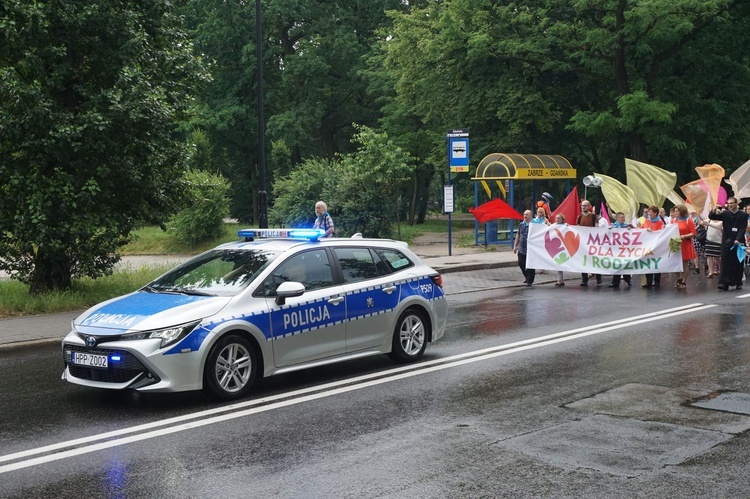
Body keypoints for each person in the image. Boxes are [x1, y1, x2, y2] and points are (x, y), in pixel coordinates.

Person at [708, 197, 749, 290]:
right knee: (725, 261)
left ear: (736, 204)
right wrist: (714, 209)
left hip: (739, 241)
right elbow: (712, 217)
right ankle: (724, 282)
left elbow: (743, 228)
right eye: (728, 203)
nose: (730, 205)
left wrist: (738, 239)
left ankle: (738, 282)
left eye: (732, 203)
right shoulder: (725, 214)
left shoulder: (743, 214)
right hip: (727, 240)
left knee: (738, 262)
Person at [576, 199, 601, 286]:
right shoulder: (579, 217)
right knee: (583, 261)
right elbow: (577, 228)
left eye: (585, 205)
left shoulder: (594, 216)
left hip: (592, 242)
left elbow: (597, 228)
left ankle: (598, 276)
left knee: (594, 260)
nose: (583, 207)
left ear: (589, 206)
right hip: (583, 243)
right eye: (582, 206)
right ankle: (584, 279)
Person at [672, 204, 696, 289]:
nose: (675, 213)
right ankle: (679, 277)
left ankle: (684, 281)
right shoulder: (673, 220)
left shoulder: (688, 220)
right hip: (675, 244)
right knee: (674, 263)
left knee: (685, 264)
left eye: (677, 211)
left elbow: (693, 233)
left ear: (682, 211)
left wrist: (684, 236)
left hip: (685, 244)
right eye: (674, 211)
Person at [641, 205, 664, 288]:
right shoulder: (647, 221)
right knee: (648, 263)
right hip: (647, 246)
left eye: (650, 212)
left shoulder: (660, 222)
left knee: (656, 262)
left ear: (655, 213)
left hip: (656, 245)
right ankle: (648, 282)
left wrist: (652, 231)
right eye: (648, 212)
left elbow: (661, 233)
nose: (649, 213)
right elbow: (641, 229)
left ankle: (657, 281)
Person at [608, 212, 632, 288]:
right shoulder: (613, 226)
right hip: (616, 250)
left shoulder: (626, 226)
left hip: (624, 249)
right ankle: (615, 282)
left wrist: (630, 229)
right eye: (622, 217)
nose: (624, 219)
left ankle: (627, 279)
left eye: (624, 217)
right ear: (618, 218)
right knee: (616, 265)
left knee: (625, 264)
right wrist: (609, 230)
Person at [513, 210, 535, 286]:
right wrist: (515, 246)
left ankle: (530, 281)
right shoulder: (521, 224)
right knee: (521, 263)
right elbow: (518, 235)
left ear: (531, 216)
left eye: (527, 214)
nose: (525, 216)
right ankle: (527, 277)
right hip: (522, 247)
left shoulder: (534, 224)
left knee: (530, 265)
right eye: (524, 214)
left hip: (531, 248)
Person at [552, 213, 567, 286]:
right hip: (556, 247)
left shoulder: (565, 226)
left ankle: (560, 280)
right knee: (558, 263)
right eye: (556, 218)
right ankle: (560, 280)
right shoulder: (553, 226)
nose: (557, 220)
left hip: (564, 247)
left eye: (559, 218)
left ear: (562, 219)